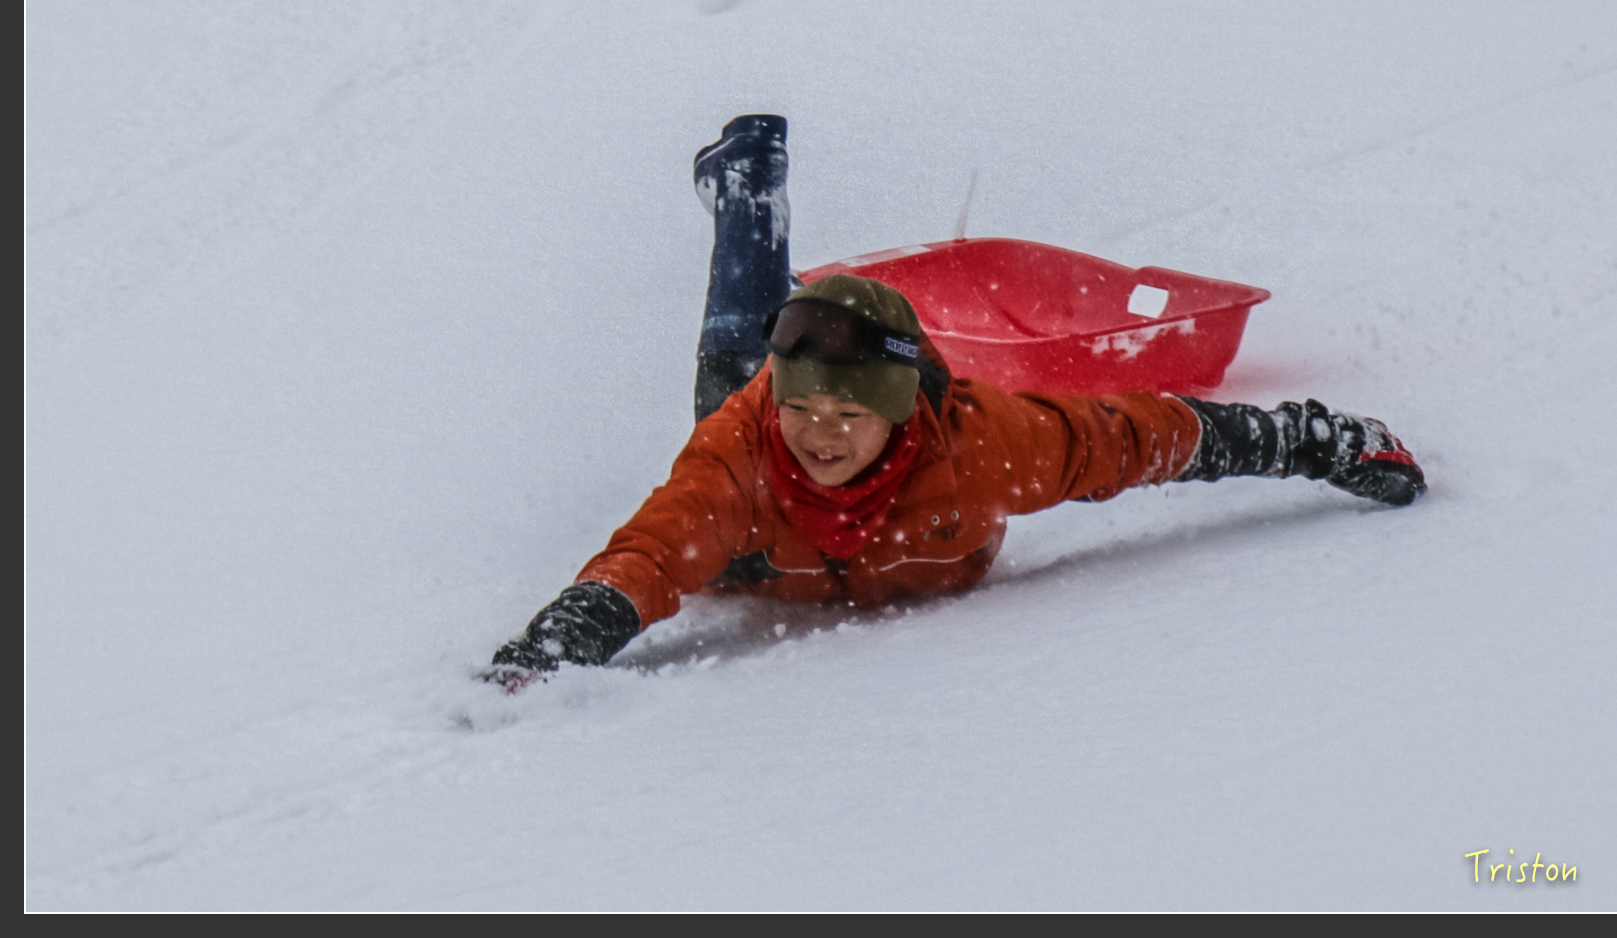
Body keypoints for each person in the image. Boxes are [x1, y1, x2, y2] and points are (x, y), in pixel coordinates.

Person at [486, 116, 1425, 683]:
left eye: (847, 417)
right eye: (803, 410)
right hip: (752, 532)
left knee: (756, 336)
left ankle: (748, 190)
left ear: (899, 413)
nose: (816, 437)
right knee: (735, 345)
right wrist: (555, 644)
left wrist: (1316, 439)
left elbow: (1150, 437)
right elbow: (648, 554)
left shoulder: (986, 445)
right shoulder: (743, 452)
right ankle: (745, 181)